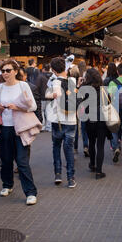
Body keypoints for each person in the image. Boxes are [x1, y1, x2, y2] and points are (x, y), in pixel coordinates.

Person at [0, 59, 39, 204]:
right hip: (6, 126)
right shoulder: (0, 87)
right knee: (6, 158)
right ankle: (7, 185)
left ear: (15, 71)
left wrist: (17, 107)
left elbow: (33, 106)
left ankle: (30, 192)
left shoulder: (23, 85)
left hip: (20, 127)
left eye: (8, 70)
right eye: (3, 71)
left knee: (22, 161)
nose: (5, 73)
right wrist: (0, 108)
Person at [46, 57, 78, 188]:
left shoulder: (54, 81)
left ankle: (58, 174)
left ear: (53, 70)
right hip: (71, 120)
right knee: (69, 150)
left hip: (57, 120)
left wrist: (51, 95)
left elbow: (52, 94)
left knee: (56, 147)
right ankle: (71, 178)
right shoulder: (73, 81)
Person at [78, 69, 111, 179]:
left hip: (89, 120)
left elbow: (78, 103)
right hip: (101, 120)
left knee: (91, 142)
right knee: (100, 145)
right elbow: (108, 102)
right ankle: (99, 172)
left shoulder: (84, 88)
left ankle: (92, 164)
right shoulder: (103, 89)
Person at [69, 65, 89, 156]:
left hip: (74, 106)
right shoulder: (82, 82)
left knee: (75, 128)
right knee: (83, 128)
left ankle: (75, 147)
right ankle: (85, 146)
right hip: (82, 106)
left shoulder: (69, 82)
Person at [41, 62, 53, 132]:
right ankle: (49, 127)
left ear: (43, 69)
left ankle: (43, 126)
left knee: (42, 111)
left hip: (42, 97)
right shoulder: (53, 76)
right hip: (50, 97)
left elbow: (38, 86)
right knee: (48, 112)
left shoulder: (40, 76)